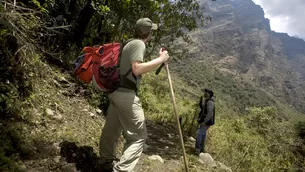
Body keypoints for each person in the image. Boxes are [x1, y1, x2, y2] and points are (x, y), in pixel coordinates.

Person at [97, 18, 170, 172]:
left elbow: (132, 69)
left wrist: (158, 61)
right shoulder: (139, 44)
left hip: (115, 92)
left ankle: (105, 161)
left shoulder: (129, 43)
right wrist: (160, 59)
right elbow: (136, 69)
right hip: (125, 95)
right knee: (138, 136)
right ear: (148, 33)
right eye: (151, 32)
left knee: (112, 129)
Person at [195, 88, 215, 155]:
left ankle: (198, 149)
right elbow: (203, 109)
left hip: (206, 122)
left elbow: (210, 113)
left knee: (198, 133)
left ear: (209, 94)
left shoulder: (210, 102)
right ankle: (201, 149)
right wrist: (200, 102)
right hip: (206, 121)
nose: (204, 93)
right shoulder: (207, 101)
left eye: (206, 92)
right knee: (203, 134)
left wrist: (205, 121)